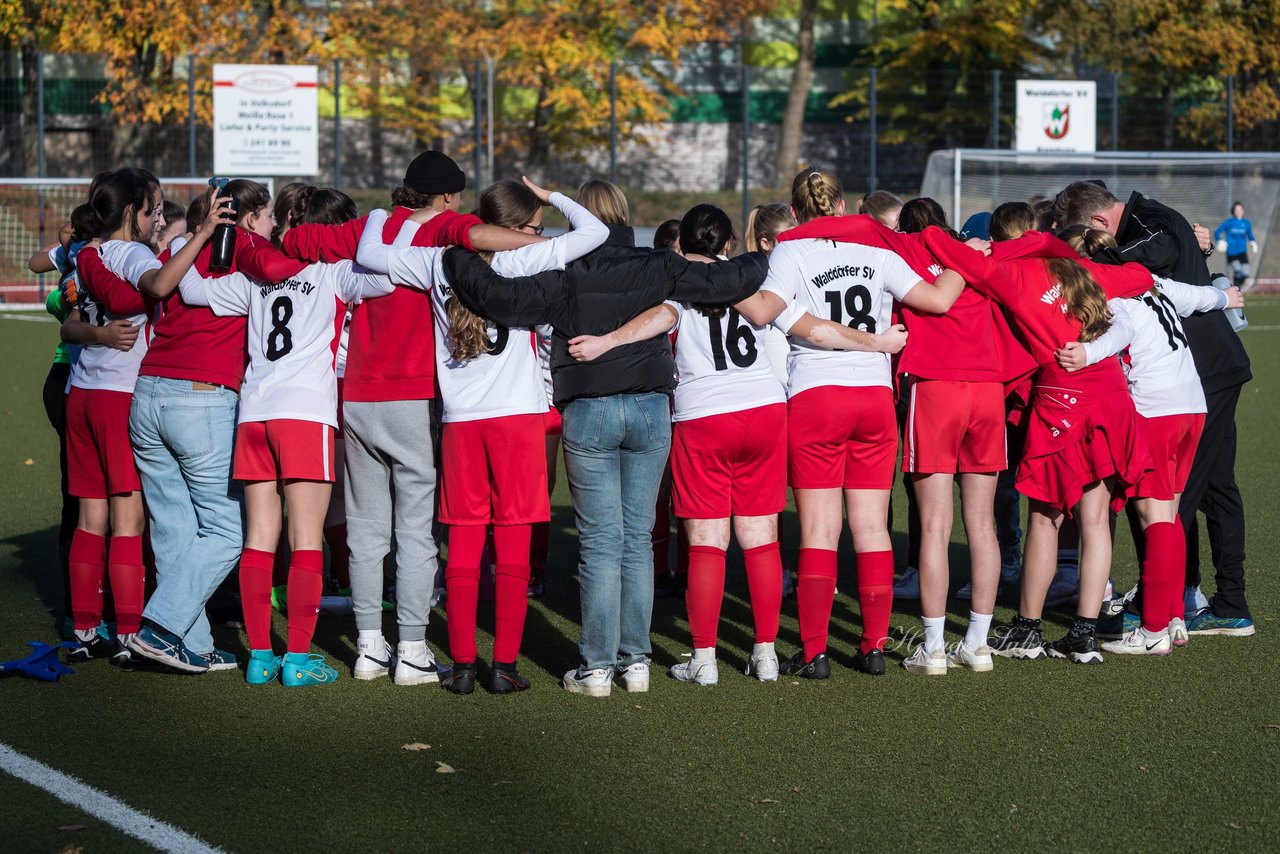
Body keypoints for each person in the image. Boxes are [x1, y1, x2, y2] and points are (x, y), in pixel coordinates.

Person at [436, 179, 770, 697]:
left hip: (588, 408)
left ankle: (597, 668)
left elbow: (500, 300)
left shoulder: (560, 268)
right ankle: (635, 663)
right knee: (637, 539)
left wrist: (458, 257)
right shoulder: (657, 264)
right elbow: (728, 281)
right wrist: (774, 253)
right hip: (649, 406)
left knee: (600, 543)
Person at [569, 204, 905, 685]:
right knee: (760, 534)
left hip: (705, 415)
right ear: (728, 245)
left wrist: (605, 343)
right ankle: (765, 654)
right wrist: (874, 344)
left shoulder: (676, 284)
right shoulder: (756, 282)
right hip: (764, 410)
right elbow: (808, 327)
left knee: (707, 540)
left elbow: (657, 321)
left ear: (681, 246)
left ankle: (704, 660)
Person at [280, 152, 538, 685]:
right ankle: (413, 649)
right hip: (415, 395)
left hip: (357, 396)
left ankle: (370, 647)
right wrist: (543, 244)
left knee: (367, 529)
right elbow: (491, 240)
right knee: (416, 533)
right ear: (446, 197)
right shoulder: (449, 228)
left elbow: (299, 242)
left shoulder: (369, 226)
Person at [354, 178, 608, 694]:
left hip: (461, 422)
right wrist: (553, 196)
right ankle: (506, 667)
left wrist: (391, 215)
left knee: (464, 545)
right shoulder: (522, 260)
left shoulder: (434, 261)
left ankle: (465, 666)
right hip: (516, 420)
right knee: (512, 547)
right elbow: (595, 231)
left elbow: (371, 254)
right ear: (513, 230)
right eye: (532, 227)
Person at [735, 167, 966, 679]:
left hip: (817, 396)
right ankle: (873, 647)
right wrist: (971, 257)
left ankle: (815, 652)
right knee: (871, 527)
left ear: (795, 213)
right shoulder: (879, 252)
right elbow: (939, 299)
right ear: (841, 207)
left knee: (819, 527)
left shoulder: (790, 251)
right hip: (873, 398)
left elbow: (766, 312)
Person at [177, 185, 398, 687]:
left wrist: (208, 233)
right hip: (306, 414)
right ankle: (296, 659)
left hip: (254, 414)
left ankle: (258, 657)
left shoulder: (254, 274)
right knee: (305, 541)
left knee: (259, 539)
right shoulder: (333, 271)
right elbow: (386, 277)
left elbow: (190, 289)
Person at [922, 203, 1154, 664]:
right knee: (1095, 519)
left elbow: (936, 241)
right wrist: (1047, 246)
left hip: (1062, 399)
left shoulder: (1009, 275)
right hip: (1110, 394)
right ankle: (1083, 633)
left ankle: (1027, 629)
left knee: (1046, 519)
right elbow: (1141, 277)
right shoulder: (1081, 270)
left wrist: (984, 248)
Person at [1054, 182, 1254, 637]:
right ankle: (1225, 603)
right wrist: (1220, 290)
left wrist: (1092, 262)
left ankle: (1160, 610)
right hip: (1208, 374)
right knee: (1215, 488)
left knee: (1166, 502)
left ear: (1100, 225)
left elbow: (1159, 251)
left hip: (1193, 379)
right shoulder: (1151, 227)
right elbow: (1190, 288)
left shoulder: (1147, 226)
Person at [127, 182, 302, 674]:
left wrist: (205, 232)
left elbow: (183, 284)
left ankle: (191, 642)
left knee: (175, 527)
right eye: (266, 217)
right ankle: (159, 627)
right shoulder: (254, 263)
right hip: (201, 398)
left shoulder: (185, 243)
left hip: (149, 394)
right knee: (228, 531)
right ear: (248, 220)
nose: (271, 226)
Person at [61, 169, 230, 664]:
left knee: (92, 519)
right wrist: (200, 236)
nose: (159, 219)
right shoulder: (132, 254)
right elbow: (155, 286)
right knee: (129, 520)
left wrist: (97, 334)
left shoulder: (87, 254)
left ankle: (85, 629)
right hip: (118, 394)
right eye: (154, 209)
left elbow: (70, 323)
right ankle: (133, 632)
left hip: (82, 392)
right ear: (132, 210)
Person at [1214, 202, 1256, 289]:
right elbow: (1217, 232)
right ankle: (1236, 290)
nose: (1238, 211)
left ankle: (1236, 288)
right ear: (1233, 211)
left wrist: (1253, 242)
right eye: (1236, 210)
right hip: (1232, 252)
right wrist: (1219, 240)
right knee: (1238, 270)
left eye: (1240, 209)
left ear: (1243, 210)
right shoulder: (1229, 223)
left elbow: (1250, 235)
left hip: (1242, 252)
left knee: (1245, 273)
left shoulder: (1246, 223)